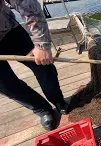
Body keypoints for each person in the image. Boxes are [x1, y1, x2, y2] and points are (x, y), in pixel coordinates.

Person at [0, 0, 69, 130]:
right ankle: (42, 109)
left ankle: (58, 101)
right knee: (6, 86)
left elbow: (25, 3)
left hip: (9, 31)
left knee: (43, 66)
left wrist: (42, 44)